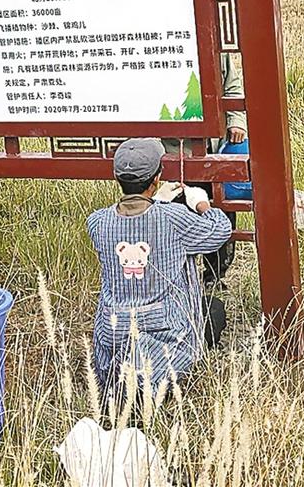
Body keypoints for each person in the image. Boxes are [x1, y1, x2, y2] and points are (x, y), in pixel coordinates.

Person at [89, 137, 231, 401]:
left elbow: (135, 223)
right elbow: (220, 230)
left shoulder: (97, 222)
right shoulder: (173, 218)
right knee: (214, 311)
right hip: (163, 327)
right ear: (156, 178)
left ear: (117, 177)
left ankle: (126, 375)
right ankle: (149, 381)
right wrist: (202, 203)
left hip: (114, 330)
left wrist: (158, 200)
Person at [163, 54, 247, 286]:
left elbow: (232, 86)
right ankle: (179, 278)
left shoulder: (217, 47)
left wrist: (236, 121)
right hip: (177, 150)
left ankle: (215, 276)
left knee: (221, 209)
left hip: (216, 146)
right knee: (178, 213)